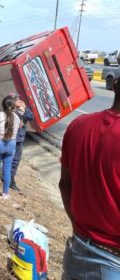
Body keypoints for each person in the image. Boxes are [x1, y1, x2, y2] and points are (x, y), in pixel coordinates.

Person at [59, 77, 120, 279]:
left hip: (78, 250)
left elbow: (65, 185)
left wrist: (79, 227)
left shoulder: (79, 125)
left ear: (114, 85)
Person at [0, 96, 21, 199]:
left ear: (2, 105)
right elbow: (20, 126)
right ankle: (5, 193)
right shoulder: (17, 117)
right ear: (14, 106)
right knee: (7, 169)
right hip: (11, 144)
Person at [9, 93, 33, 191]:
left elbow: (31, 116)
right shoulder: (9, 107)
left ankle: (10, 178)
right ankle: (8, 178)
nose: (18, 100)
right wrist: (20, 111)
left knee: (16, 160)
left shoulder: (23, 108)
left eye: (18, 98)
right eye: (16, 99)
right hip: (11, 137)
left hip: (20, 138)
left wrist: (23, 108)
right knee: (9, 158)